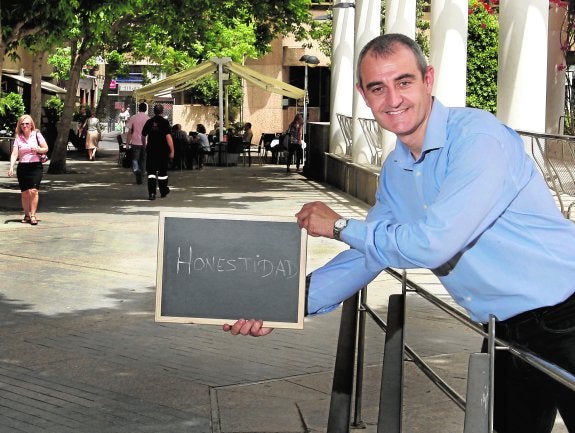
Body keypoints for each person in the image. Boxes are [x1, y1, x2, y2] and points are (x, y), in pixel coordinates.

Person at [223, 33, 575, 432]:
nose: (392, 99)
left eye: (403, 82)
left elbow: (433, 242)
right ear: (364, 94)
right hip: (503, 330)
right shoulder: (396, 168)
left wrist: (339, 226)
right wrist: (283, 303)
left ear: (428, 79)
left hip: (568, 312)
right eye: (377, 87)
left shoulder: (478, 138)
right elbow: (370, 251)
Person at [7, 114, 49, 226]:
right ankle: (26, 214)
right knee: (25, 193)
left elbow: (46, 148)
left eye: (27, 123)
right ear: (19, 125)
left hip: (35, 166)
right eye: (22, 124)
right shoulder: (18, 138)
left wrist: (38, 149)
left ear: (31, 125)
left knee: (34, 191)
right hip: (23, 167)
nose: (25, 125)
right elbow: (15, 153)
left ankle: (33, 215)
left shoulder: (37, 134)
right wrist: (11, 166)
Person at [141, 104, 174, 200]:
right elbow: (168, 137)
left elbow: (143, 136)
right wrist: (172, 151)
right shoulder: (164, 122)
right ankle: (163, 191)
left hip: (151, 150)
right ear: (162, 111)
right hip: (163, 151)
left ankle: (152, 193)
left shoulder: (149, 122)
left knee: (151, 173)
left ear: (154, 111)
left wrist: (144, 146)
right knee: (162, 173)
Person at [126, 102, 149, 184]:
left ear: (138, 108)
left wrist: (127, 143)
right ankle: (142, 173)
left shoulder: (133, 117)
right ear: (146, 109)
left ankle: (137, 171)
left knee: (135, 159)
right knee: (143, 159)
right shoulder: (148, 119)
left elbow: (129, 132)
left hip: (135, 141)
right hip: (145, 142)